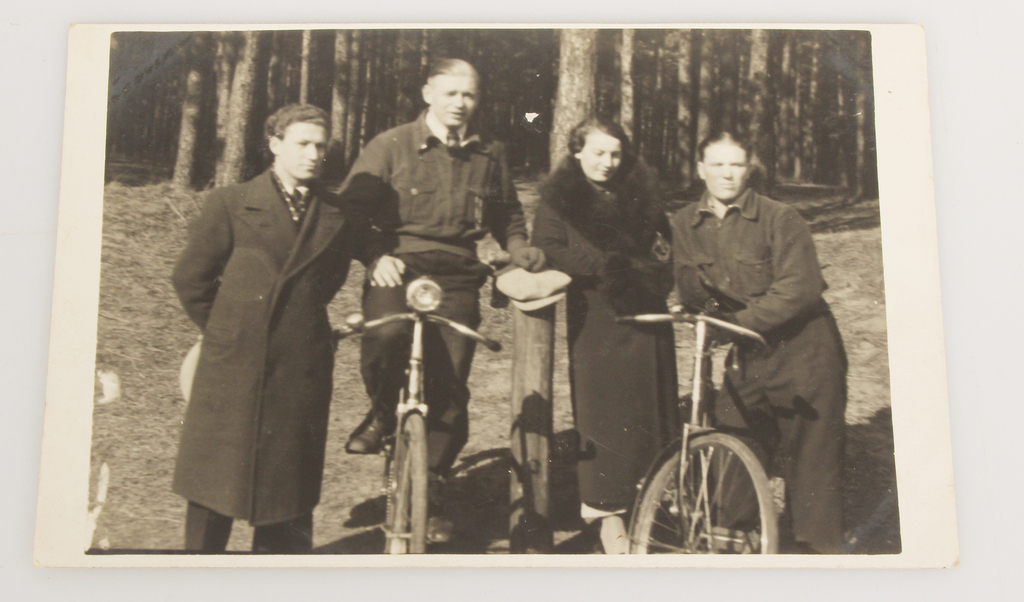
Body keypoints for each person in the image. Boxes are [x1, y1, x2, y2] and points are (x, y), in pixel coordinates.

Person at [338, 59, 545, 542]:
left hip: (458, 276)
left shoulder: (490, 153)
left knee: (449, 385)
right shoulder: (390, 145)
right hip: (399, 264)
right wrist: (373, 257)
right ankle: (385, 412)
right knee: (386, 334)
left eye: (468, 95)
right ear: (427, 92)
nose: (459, 104)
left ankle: (430, 488)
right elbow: (351, 209)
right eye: (450, 93)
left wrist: (517, 249)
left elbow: (507, 212)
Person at [171, 104, 371, 553]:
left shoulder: (335, 213)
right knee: (214, 484)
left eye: (321, 146)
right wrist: (231, 331)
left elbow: (329, 278)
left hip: (301, 364)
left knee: (289, 491)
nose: (313, 154)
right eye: (302, 143)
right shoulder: (231, 202)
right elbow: (191, 279)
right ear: (275, 144)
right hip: (234, 364)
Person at [670, 130, 848, 554]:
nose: (727, 174)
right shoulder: (684, 223)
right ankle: (734, 545)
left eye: (736, 164)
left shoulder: (780, 218)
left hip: (806, 350)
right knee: (734, 440)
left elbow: (800, 289)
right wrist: (700, 312)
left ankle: (816, 559)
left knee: (813, 464)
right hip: (748, 353)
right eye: (717, 164)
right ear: (700, 170)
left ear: (749, 168)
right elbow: (691, 288)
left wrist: (735, 322)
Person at [531, 118, 678, 554]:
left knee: (652, 410)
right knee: (603, 417)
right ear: (577, 152)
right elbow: (550, 245)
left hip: (648, 312)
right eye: (597, 152)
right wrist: (609, 268)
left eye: (615, 153)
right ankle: (608, 517)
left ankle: (651, 504)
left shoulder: (641, 194)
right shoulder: (559, 199)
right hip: (597, 317)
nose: (607, 163)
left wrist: (649, 274)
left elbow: (663, 247)